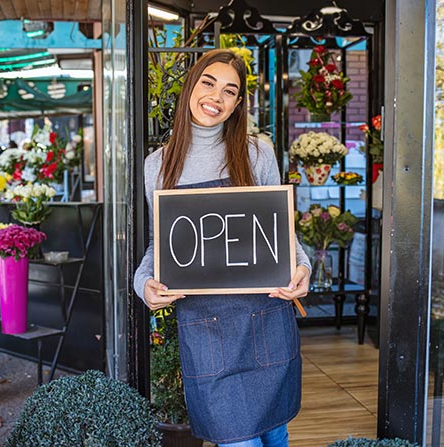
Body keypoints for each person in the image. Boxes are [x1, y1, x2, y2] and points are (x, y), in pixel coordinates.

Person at [134, 49, 311, 447]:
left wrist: (302, 268)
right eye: (208, 83)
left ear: (236, 105)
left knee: (275, 436)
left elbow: (283, 233)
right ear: (190, 88)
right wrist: (143, 284)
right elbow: (155, 246)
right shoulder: (157, 166)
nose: (217, 96)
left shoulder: (258, 153)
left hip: (266, 318)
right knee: (238, 441)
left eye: (230, 91)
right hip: (207, 332)